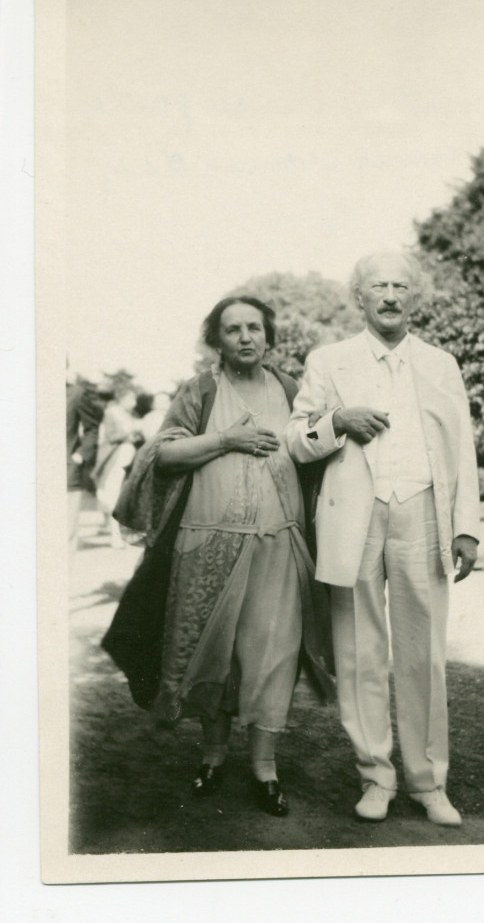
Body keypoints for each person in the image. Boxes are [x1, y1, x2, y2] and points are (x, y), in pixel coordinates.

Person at [103, 296, 333, 817]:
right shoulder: (200, 391)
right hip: (206, 545)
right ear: (217, 339)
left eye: (255, 327)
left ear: (269, 337)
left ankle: (265, 769)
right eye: (233, 329)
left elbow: (313, 455)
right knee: (215, 655)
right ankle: (211, 755)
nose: (246, 337)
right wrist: (228, 439)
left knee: (274, 655)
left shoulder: (292, 390)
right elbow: (162, 454)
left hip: (280, 547)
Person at [286, 253, 480, 826]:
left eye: (400, 286)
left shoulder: (442, 363)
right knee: (359, 652)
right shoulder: (330, 360)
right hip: (354, 517)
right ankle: (375, 775)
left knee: (425, 653)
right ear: (360, 297)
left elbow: (462, 446)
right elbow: (295, 440)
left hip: (422, 510)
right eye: (379, 286)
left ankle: (428, 782)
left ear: (412, 297)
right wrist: (337, 421)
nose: (390, 296)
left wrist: (467, 526)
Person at [93, 386, 141, 548]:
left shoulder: (129, 415)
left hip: (128, 455)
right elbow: (111, 435)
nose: (134, 403)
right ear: (123, 399)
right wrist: (130, 433)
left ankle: (121, 535)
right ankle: (115, 536)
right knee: (113, 495)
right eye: (131, 400)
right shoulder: (111, 413)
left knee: (124, 496)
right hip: (116, 457)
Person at [66, 363, 104, 566]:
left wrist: (79, 456)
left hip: (67, 473)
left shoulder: (76, 394)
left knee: (65, 533)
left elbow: (92, 429)